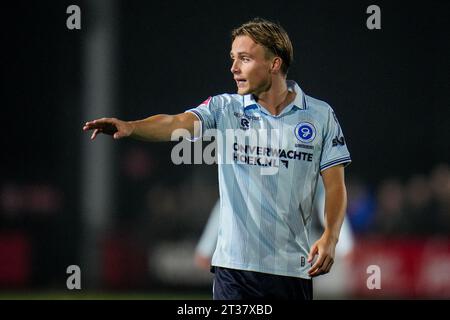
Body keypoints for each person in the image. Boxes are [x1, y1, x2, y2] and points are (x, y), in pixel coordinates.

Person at [83, 18, 351, 300]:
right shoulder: (225, 108)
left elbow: (335, 186)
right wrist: (132, 127)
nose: (233, 68)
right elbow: (177, 121)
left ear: (274, 64)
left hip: (291, 271)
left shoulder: (320, 115)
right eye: (233, 59)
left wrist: (331, 237)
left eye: (244, 59)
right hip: (234, 271)